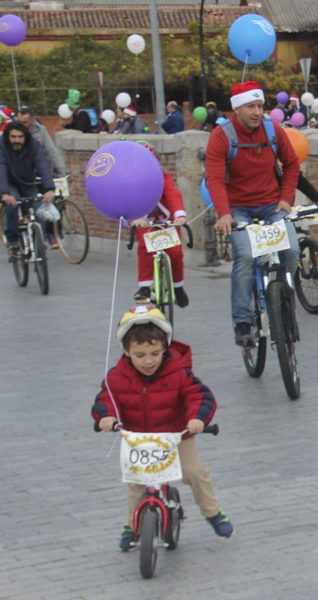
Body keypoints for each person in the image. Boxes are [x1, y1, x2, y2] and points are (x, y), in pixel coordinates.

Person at [92, 305, 233, 551]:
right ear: (126, 352)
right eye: (139, 355)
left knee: (194, 472)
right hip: (138, 438)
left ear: (165, 347)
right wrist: (106, 417)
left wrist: (197, 417)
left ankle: (212, 512)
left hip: (176, 435)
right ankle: (130, 525)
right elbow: (106, 400)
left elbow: (198, 395)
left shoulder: (178, 371)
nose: (148, 361)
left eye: (155, 353)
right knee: (136, 483)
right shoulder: (117, 377)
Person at [205, 80, 301, 347]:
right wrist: (224, 213)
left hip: (272, 206)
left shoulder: (274, 131)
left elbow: (292, 164)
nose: (257, 112)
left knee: (292, 249)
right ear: (237, 109)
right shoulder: (221, 137)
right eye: (251, 106)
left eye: (260, 105)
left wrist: (286, 199)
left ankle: (281, 296)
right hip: (237, 208)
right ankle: (243, 322)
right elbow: (213, 178)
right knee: (246, 257)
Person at [130, 141, 189, 308]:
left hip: (165, 220)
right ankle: (145, 287)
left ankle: (178, 287)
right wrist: (136, 217)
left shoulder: (163, 177)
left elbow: (172, 194)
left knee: (175, 252)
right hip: (145, 222)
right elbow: (129, 199)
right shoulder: (131, 180)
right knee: (145, 247)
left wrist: (179, 215)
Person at [0, 121, 55, 251]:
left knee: (39, 209)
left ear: (25, 137)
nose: (17, 140)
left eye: (20, 137)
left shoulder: (33, 145)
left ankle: (40, 239)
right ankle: (13, 239)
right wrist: (4, 193)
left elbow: (42, 164)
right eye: (13, 137)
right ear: (7, 137)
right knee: (12, 204)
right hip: (9, 183)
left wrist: (49, 189)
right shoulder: (0, 145)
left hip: (27, 181)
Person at [16, 107, 67, 178]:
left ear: (32, 122)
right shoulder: (13, 131)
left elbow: (51, 150)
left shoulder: (41, 130)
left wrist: (62, 171)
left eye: (24, 122)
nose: (21, 125)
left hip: (40, 168)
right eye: (19, 121)